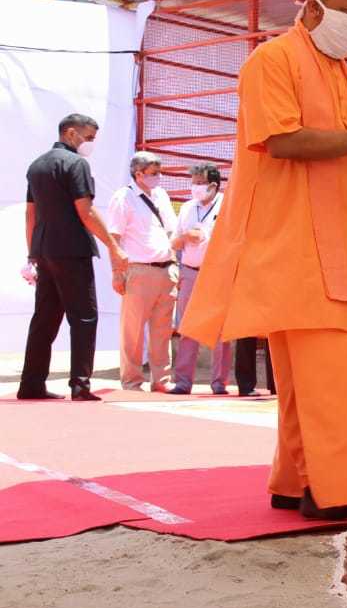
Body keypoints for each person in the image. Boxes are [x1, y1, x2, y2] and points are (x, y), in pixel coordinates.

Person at [180, 0, 347, 520]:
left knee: (306, 379)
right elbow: (282, 141)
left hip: (343, 238)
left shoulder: (342, 71)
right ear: (312, 8)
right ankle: (336, 486)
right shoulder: (272, 59)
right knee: (342, 374)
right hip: (295, 244)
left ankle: (296, 481)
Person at [19, 114, 127, 400]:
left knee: (44, 319)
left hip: (45, 251)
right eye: (88, 137)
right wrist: (114, 247)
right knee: (83, 318)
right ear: (70, 133)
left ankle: (30, 384)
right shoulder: (77, 164)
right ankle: (80, 385)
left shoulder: (37, 166)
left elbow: (30, 214)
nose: (90, 143)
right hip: (72, 250)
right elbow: (86, 210)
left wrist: (32, 254)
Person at [106, 151, 179, 393]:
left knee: (163, 329)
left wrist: (175, 263)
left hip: (166, 270)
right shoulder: (123, 198)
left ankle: (162, 379)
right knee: (133, 331)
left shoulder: (161, 195)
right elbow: (114, 237)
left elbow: (171, 230)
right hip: (138, 270)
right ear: (138, 174)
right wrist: (117, 272)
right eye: (153, 173)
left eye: (159, 172)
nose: (158, 177)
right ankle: (132, 381)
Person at [169, 163, 232, 395]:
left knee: (221, 330)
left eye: (200, 183)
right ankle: (183, 382)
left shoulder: (227, 204)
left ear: (213, 185)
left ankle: (219, 383)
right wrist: (186, 236)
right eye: (193, 182)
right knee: (187, 327)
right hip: (190, 271)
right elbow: (174, 242)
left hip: (217, 274)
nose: (195, 187)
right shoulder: (187, 207)